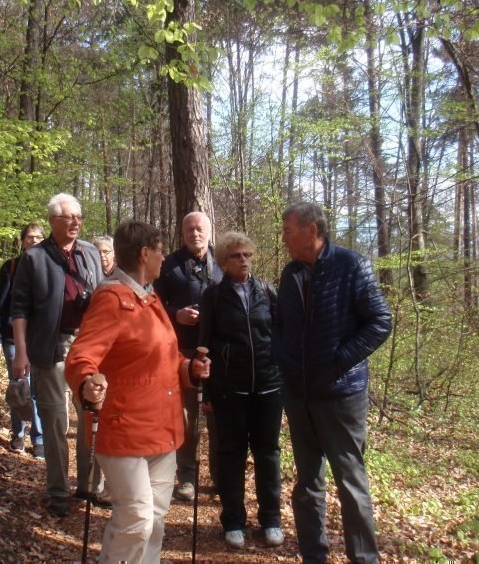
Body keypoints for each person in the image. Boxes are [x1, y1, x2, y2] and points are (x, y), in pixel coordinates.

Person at [65, 221, 211, 564]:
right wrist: (87, 381)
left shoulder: (150, 296)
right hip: (123, 430)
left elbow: (166, 355)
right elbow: (81, 356)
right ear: (145, 253)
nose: (165, 258)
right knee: (136, 520)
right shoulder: (113, 298)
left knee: (155, 520)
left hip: (162, 428)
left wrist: (189, 369)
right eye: (160, 250)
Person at [276, 202, 392, 564]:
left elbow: (380, 321)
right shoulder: (290, 273)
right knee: (307, 485)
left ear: (312, 231)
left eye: (288, 231)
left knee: (350, 482)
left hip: (341, 396)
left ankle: (364, 558)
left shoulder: (351, 265)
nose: (284, 239)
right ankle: (314, 556)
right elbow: (283, 326)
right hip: (299, 395)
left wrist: (340, 361)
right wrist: (286, 364)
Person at [10, 193, 106, 517]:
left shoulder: (90, 254)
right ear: (53, 221)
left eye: (79, 216)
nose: (76, 222)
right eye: (69, 217)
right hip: (50, 348)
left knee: (92, 415)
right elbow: (19, 308)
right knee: (55, 421)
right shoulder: (34, 258)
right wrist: (20, 352)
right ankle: (58, 490)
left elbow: (105, 297)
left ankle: (90, 486)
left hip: (89, 347)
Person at [199, 231, 283, 549]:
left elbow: (280, 335)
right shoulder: (213, 296)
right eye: (236, 256)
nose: (243, 260)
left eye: (247, 254)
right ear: (223, 262)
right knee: (231, 453)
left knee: (268, 454)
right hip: (229, 388)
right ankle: (233, 520)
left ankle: (271, 519)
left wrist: (282, 375)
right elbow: (204, 345)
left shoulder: (267, 291)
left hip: (268, 386)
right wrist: (206, 391)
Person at [153, 211, 222, 501]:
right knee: (187, 418)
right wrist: (176, 314)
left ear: (209, 231)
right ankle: (187, 476)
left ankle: (221, 478)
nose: (196, 233)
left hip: (219, 351)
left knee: (219, 418)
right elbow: (153, 305)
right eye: (190, 229)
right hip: (181, 352)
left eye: (200, 229)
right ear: (183, 233)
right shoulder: (169, 265)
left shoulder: (223, 263)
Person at [0, 223, 45, 456]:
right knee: (19, 386)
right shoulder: (11, 267)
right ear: (22, 241)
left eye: (39, 237)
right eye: (30, 237)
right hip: (12, 337)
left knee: (36, 390)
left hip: (40, 338)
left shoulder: (48, 266)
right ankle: (18, 435)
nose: (34, 241)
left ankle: (39, 439)